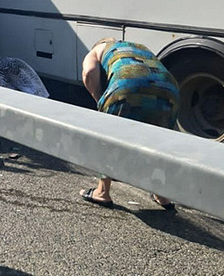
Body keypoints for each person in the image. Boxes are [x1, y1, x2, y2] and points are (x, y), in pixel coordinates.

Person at [78, 38, 182, 210]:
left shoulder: (98, 49)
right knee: (159, 143)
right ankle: (162, 195)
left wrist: (99, 99)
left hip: (127, 85)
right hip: (169, 89)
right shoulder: (139, 47)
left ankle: (102, 192)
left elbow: (89, 72)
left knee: (108, 139)